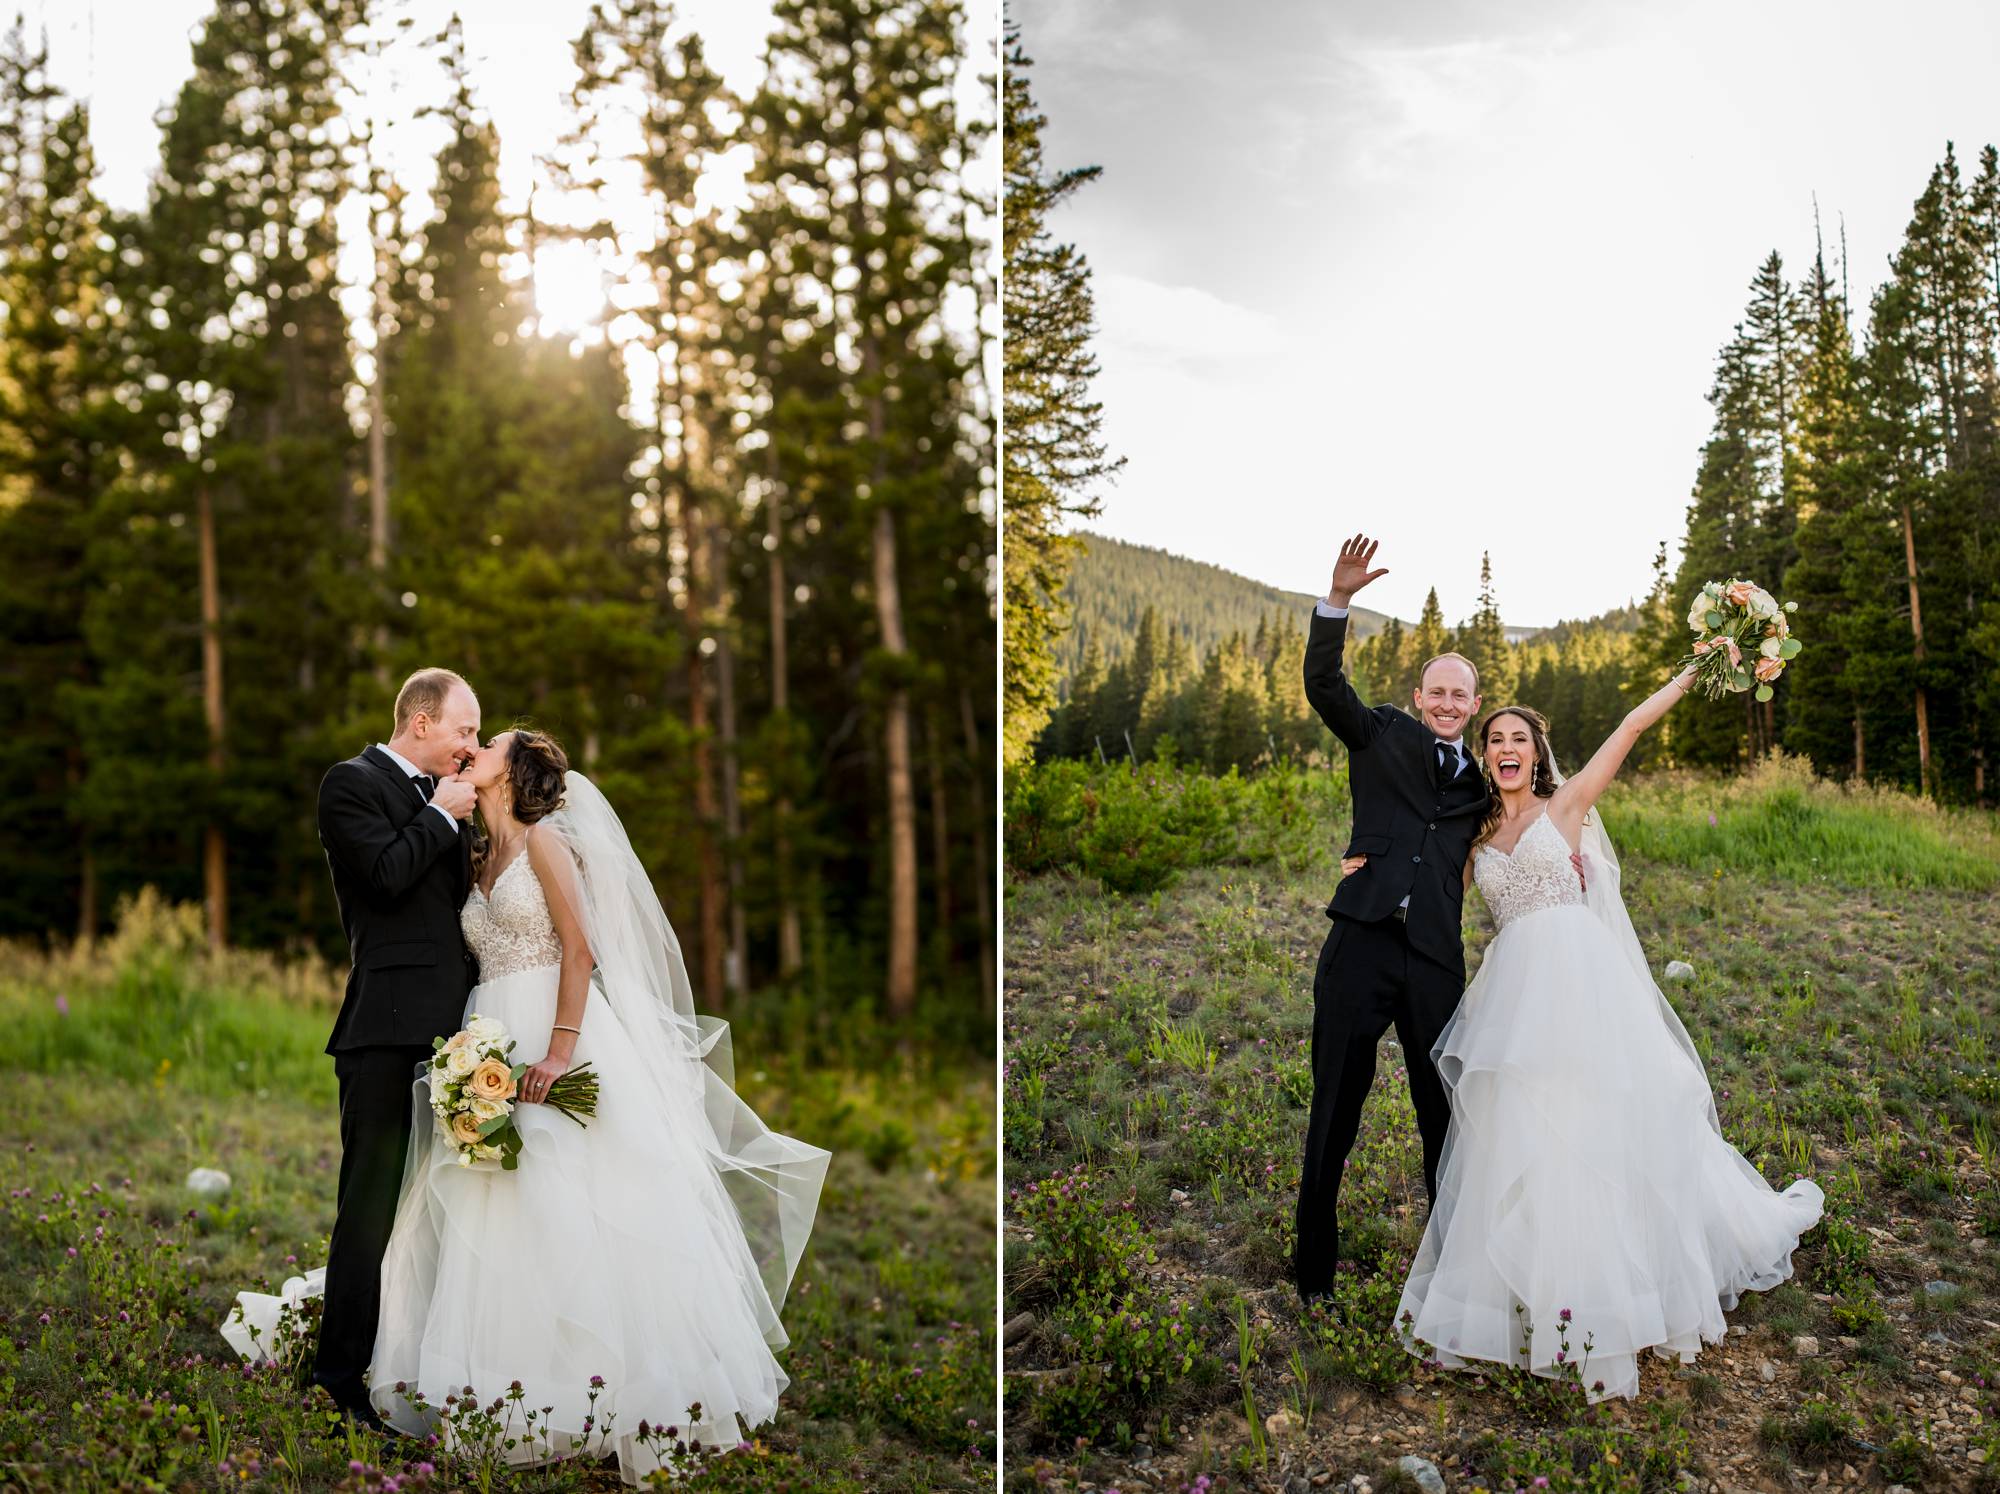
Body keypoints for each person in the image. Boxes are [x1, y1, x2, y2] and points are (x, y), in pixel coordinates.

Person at [226, 727, 829, 1482]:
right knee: (499, 1204)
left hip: (552, 1032)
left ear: (509, 775)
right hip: (491, 1035)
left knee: (576, 1202)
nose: (473, 747)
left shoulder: (546, 844)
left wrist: (559, 1049)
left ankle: (611, 1390)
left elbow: (581, 950)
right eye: (469, 733)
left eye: (489, 742)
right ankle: (509, 1389)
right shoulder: (477, 856)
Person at [1388, 689, 1823, 1399]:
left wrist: (1693, 673)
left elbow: (1629, 725)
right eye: (1494, 737)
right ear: (1482, 752)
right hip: (1514, 998)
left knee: (1595, 1126)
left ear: (1536, 752)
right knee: (1521, 1131)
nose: (1506, 747)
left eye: (1519, 738)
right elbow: (1425, 876)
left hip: (1581, 984)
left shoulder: (1566, 809)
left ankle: (1621, 1288)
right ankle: (1532, 1290)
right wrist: (1365, 866)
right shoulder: (1471, 837)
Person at [1292, 533, 1490, 1302]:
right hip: (1361, 943)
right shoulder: (1379, 733)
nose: (1446, 704)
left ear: (1473, 706)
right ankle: (1314, 1278)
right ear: (1419, 697)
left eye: (1459, 695)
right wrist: (1336, 602)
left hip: (1436, 963)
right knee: (1334, 1107)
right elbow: (1323, 684)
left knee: (1441, 1117)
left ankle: (1453, 1281)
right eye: (1435, 691)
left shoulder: (1484, 782)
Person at [309, 667, 483, 1431]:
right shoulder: (348, 785)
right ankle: (337, 1380)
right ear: (420, 724)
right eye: (464, 731)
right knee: (372, 1207)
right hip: (384, 1028)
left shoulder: (452, 800)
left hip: (463, 1031)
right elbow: (383, 878)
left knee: (452, 1209)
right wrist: (442, 817)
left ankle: (421, 1366)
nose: (470, 746)